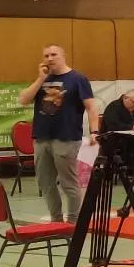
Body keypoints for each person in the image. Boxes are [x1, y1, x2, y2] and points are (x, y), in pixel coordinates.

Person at [17, 45, 97, 222]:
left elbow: (91, 106)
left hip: (66, 137)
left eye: (54, 54)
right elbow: (23, 99)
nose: (50, 58)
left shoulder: (77, 79)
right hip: (41, 137)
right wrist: (40, 79)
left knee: (69, 182)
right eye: (46, 55)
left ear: (63, 56)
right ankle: (56, 219)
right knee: (45, 182)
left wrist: (94, 130)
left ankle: (75, 221)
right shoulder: (43, 79)